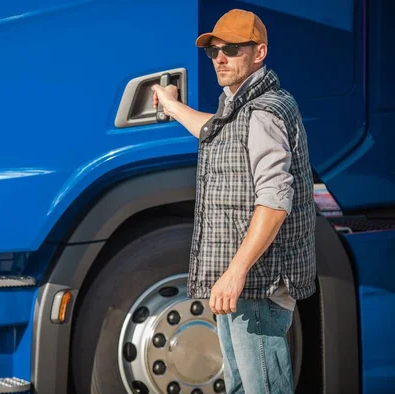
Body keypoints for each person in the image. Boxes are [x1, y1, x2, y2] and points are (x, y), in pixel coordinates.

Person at [151, 8, 316, 394]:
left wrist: (236, 272)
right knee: (242, 387)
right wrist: (171, 105)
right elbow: (213, 131)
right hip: (241, 285)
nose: (220, 59)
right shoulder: (240, 107)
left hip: (256, 285)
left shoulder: (263, 112)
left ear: (259, 53)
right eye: (214, 52)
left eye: (232, 49)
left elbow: (275, 201)